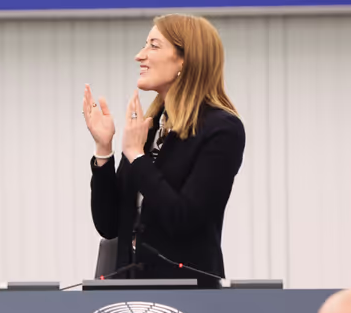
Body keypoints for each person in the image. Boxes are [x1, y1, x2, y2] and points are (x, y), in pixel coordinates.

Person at [83, 14, 244, 286]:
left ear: (185, 59)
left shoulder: (222, 129)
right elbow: (109, 225)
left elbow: (184, 219)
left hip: (188, 298)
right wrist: (104, 149)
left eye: (153, 46)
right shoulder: (151, 126)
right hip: (127, 292)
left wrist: (137, 156)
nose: (140, 55)